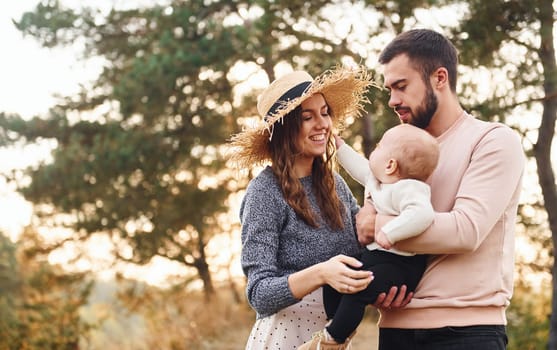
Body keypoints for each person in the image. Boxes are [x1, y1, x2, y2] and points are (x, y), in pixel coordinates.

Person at [355, 28, 525, 349]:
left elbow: (465, 230)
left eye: (401, 87)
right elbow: (369, 215)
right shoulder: (393, 147)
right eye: (390, 89)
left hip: (466, 332)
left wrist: (374, 224)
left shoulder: (492, 140)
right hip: (394, 330)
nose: (393, 100)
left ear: (440, 78)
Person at [228, 65, 376, 350]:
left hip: (333, 338)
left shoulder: (334, 184)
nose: (322, 124)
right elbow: (259, 293)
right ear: (284, 129)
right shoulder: (265, 193)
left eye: (324, 113)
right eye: (307, 117)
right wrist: (321, 273)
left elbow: (363, 248)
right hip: (285, 339)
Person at [299, 123, 440, 350]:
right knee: (337, 277)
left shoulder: (410, 188)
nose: (373, 151)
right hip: (377, 258)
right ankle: (337, 324)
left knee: (357, 288)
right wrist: (340, 146)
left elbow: (422, 214)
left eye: (378, 147)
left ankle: (331, 341)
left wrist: (389, 232)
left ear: (390, 164)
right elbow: (359, 167)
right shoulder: (379, 181)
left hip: (401, 265)